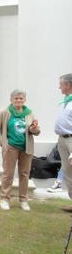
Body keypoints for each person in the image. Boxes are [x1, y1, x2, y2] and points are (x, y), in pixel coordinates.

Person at [0, 89, 41, 211]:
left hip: (26, 148)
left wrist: (34, 129)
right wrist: (3, 142)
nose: (19, 100)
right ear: (11, 100)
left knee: (24, 174)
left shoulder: (29, 113)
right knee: (8, 174)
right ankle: (4, 199)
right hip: (11, 147)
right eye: (16, 98)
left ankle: (23, 200)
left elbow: (34, 131)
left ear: (24, 100)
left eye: (21, 98)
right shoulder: (5, 112)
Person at [55, 74, 72, 212]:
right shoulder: (66, 100)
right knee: (67, 172)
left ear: (68, 85)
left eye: (61, 84)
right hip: (62, 139)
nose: (59, 87)